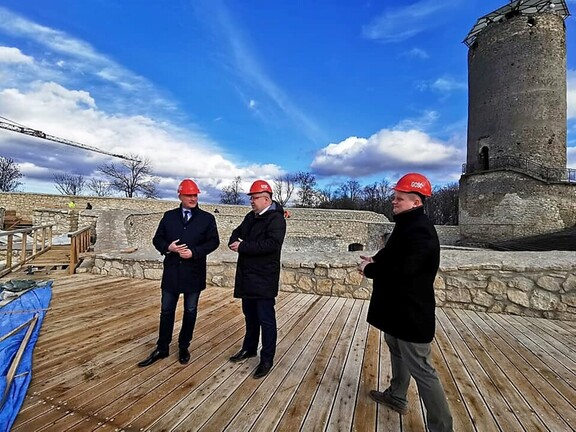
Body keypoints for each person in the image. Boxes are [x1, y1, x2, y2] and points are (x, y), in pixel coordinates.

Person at [358, 173, 453, 432]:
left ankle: (442, 428)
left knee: (422, 369)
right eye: (395, 197)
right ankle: (397, 396)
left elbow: (405, 269)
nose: (393, 201)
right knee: (395, 347)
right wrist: (375, 260)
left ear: (415, 202)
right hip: (397, 309)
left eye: (399, 198)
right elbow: (392, 253)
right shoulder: (407, 224)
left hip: (412, 312)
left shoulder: (421, 231)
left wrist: (370, 271)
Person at [138, 179, 220, 367]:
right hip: (172, 273)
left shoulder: (207, 219)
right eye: (189, 195)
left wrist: (195, 252)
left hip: (194, 272)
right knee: (166, 311)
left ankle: (184, 346)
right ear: (180, 196)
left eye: (195, 195)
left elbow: (213, 242)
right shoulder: (169, 216)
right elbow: (157, 239)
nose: (193, 198)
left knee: (190, 311)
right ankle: (162, 347)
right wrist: (168, 247)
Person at [228, 180, 286, 379]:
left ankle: (267, 358)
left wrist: (243, 247)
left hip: (264, 278)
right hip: (248, 276)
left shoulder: (276, 220)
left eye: (254, 198)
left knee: (266, 320)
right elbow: (237, 232)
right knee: (250, 316)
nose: (251, 201)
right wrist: (234, 241)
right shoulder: (251, 217)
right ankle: (249, 348)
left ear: (266, 199)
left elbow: (271, 245)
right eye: (251, 198)